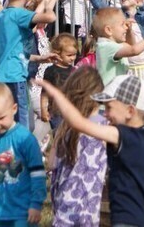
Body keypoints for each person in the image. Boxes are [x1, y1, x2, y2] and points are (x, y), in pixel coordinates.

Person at [38, 73, 144, 227]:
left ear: (130, 111)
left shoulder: (120, 136)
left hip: (125, 219)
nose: (104, 113)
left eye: (109, 107)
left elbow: (78, 122)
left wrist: (56, 93)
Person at [0, 0, 61, 127]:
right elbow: (50, 18)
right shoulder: (19, 15)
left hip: (0, 76)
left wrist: (39, 58)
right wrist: (49, 5)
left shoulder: (3, 15)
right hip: (14, 77)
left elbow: (13, 51)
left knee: (6, 125)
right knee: (23, 126)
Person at [0, 82, 46, 226]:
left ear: (14, 109)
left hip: (24, 210)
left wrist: (36, 203)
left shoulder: (25, 139)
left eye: (1, 118)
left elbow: (37, 173)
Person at [49, 66, 107, 226]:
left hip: (63, 203)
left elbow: (51, 163)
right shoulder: (105, 127)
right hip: (90, 205)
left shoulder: (65, 127)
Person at [92, 7, 144, 85]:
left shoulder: (111, 44)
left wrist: (129, 31)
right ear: (108, 30)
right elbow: (134, 50)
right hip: (110, 94)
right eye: (122, 25)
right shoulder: (106, 46)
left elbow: (131, 45)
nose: (125, 28)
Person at [40, 33, 79, 130]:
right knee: (58, 136)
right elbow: (45, 93)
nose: (73, 58)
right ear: (57, 54)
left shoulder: (74, 70)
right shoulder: (51, 71)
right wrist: (43, 110)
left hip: (72, 110)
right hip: (56, 112)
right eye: (69, 55)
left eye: (74, 54)